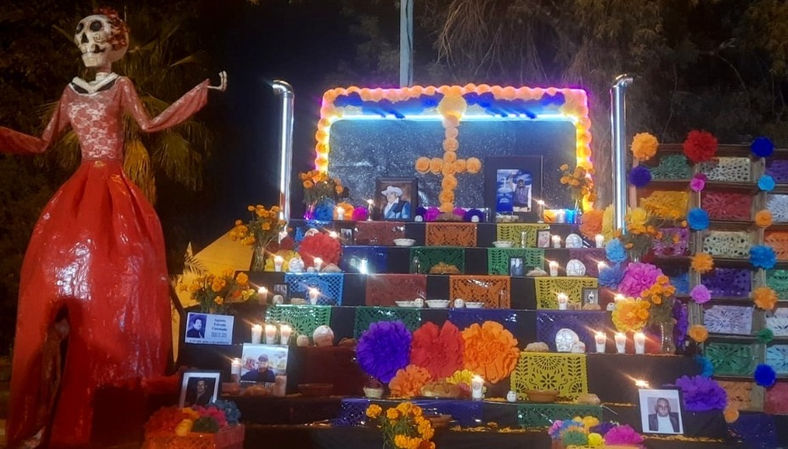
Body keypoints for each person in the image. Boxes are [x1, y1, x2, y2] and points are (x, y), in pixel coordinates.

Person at [0, 9, 227, 447]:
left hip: (115, 190)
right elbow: (44, 141)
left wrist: (200, 92)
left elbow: (149, 123)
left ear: (117, 46)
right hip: (80, 191)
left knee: (128, 267)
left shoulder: (121, 85)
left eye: (98, 36)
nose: (88, 43)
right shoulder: (70, 91)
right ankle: (50, 402)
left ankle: (120, 388)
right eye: (83, 36)